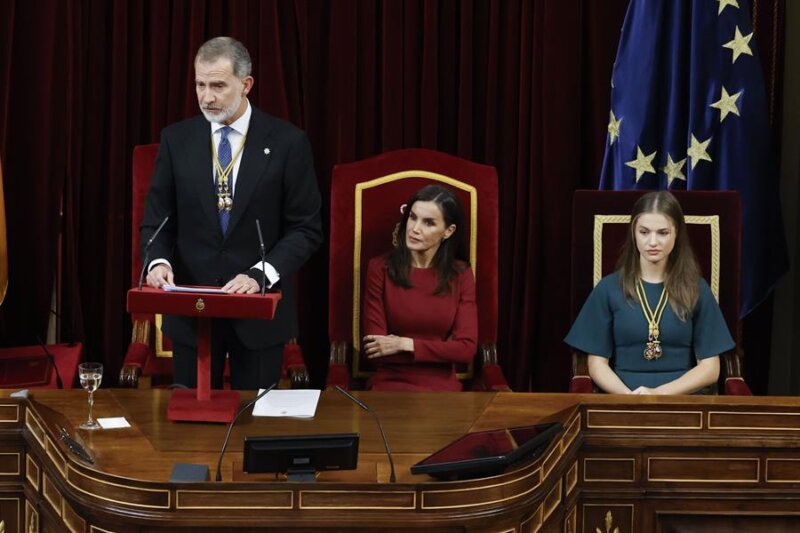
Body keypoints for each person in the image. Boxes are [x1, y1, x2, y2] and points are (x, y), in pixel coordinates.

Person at [140, 36, 322, 390]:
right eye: (200, 85)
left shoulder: (288, 143)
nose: (207, 97)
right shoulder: (177, 140)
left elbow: (306, 228)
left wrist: (261, 274)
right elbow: (157, 218)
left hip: (257, 316)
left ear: (246, 84)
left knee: (250, 427)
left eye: (218, 86)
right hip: (193, 311)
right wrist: (157, 261)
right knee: (191, 430)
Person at [565, 191, 734, 395]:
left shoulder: (697, 288)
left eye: (663, 233)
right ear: (633, 233)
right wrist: (629, 398)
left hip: (683, 401)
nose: (652, 242)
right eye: (644, 232)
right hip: (621, 400)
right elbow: (596, 364)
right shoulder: (608, 288)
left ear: (677, 233)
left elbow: (710, 369)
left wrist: (657, 395)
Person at [362, 184, 478, 391]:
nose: (415, 229)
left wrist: (404, 344)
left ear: (448, 231)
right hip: (389, 385)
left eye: (429, 223)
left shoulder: (460, 274)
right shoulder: (379, 268)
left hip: (443, 388)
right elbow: (375, 352)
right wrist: (441, 352)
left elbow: (466, 350)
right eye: (412, 217)